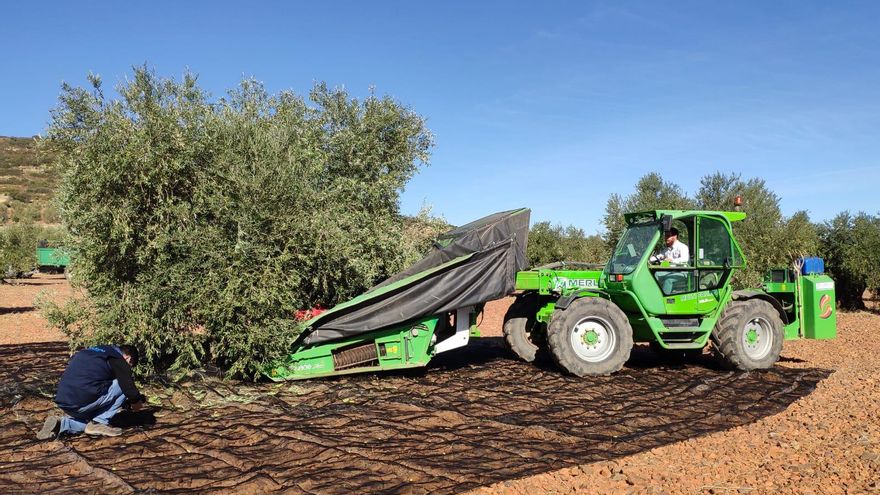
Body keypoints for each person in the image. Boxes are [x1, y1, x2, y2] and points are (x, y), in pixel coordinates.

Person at [37, 344, 147, 439]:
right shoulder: (117, 359)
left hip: (64, 402)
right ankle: (98, 422)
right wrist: (136, 402)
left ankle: (61, 424)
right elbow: (128, 387)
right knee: (121, 384)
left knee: (89, 423)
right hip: (81, 402)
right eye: (130, 366)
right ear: (128, 358)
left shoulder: (93, 352)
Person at [650, 228, 691, 294]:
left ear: (675, 236)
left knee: (668, 280)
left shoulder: (682, 247)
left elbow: (685, 259)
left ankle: (663, 298)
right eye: (665, 236)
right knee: (654, 274)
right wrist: (648, 259)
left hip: (682, 272)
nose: (666, 238)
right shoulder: (667, 249)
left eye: (668, 236)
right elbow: (658, 256)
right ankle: (654, 294)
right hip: (670, 271)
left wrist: (671, 260)